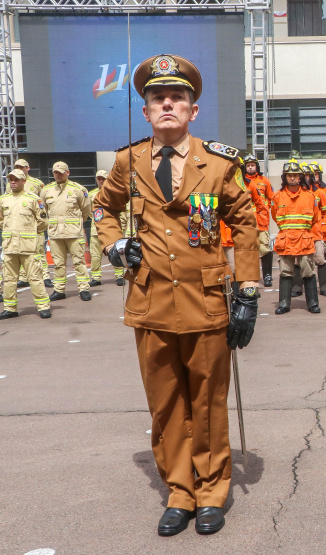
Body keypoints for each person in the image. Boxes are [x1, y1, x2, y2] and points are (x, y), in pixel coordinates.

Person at [92, 54, 260, 537]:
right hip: (150, 302)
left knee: (208, 401)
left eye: (178, 97)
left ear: (193, 110)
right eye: (157, 98)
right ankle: (179, 491)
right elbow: (103, 208)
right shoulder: (129, 161)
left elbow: (245, 223)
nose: (168, 103)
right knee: (165, 403)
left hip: (207, 301)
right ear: (145, 111)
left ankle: (211, 491)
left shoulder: (221, 163)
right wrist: (112, 242)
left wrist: (247, 292)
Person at [271, 160, 322, 314]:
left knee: (308, 271)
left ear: (300, 177)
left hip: (305, 240)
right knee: (285, 272)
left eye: (295, 175)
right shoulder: (278, 197)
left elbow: (316, 218)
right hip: (285, 240)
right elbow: (275, 216)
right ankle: (284, 304)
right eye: (289, 175)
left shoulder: (309, 196)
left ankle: (313, 303)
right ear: (284, 177)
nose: (292, 178)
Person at [0, 169, 51, 319]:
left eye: (16, 179)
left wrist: (29, 233)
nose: (13, 182)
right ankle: (10, 308)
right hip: (10, 246)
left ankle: (43, 307)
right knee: (9, 279)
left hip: (28, 247)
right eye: (11, 179)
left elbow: (43, 221)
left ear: (24, 181)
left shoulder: (33, 199)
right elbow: (1, 220)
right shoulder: (3, 199)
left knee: (35, 277)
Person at [42, 161, 92, 301]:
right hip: (55, 233)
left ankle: (83, 288)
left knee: (79, 261)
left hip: (74, 233)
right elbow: (43, 210)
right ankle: (59, 290)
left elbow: (86, 210)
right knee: (58, 263)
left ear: (67, 172)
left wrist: (76, 223)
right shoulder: (46, 190)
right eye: (55, 172)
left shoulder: (78, 189)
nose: (58, 175)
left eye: (61, 172)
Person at [13, 159, 52, 288]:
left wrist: (41, 223)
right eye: (17, 166)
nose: (19, 169)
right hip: (19, 224)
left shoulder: (37, 184)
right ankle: (24, 277)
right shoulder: (11, 184)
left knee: (39, 251)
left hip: (34, 224)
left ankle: (45, 276)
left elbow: (44, 202)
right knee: (21, 252)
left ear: (27, 168)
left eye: (22, 167)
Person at [241, 154, 275, 286]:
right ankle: (251, 277)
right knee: (249, 250)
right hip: (246, 221)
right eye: (248, 165)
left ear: (257, 166)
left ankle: (267, 276)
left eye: (252, 165)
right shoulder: (240, 181)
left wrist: (266, 213)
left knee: (264, 248)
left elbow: (272, 199)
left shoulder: (264, 181)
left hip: (261, 221)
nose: (250, 168)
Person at [87, 170, 109, 286]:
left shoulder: (113, 193)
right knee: (95, 255)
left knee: (114, 253)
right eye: (99, 178)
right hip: (95, 229)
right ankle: (96, 278)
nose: (101, 181)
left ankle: (119, 275)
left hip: (110, 228)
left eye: (103, 179)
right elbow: (88, 210)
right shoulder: (91, 194)